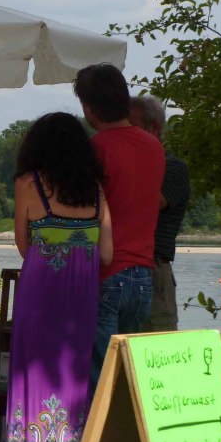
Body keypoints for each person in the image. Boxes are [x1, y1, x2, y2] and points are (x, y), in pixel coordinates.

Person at [0, 112, 112, 442]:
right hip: (80, 300)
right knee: (71, 386)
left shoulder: (27, 185)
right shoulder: (96, 191)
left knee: (30, 382)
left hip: (40, 296)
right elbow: (107, 254)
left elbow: (24, 245)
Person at [76, 64, 164, 390]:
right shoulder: (154, 147)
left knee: (99, 381)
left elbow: (85, 212)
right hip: (143, 275)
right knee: (126, 379)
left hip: (105, 273)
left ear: (88, 107)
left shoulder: (95, 148)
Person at [129, 96, 191, 333]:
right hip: (119, 269)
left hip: (153, 268)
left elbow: (146, 204)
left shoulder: (173, 168)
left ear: (154, 127)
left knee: (155, 343)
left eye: (131, 126)